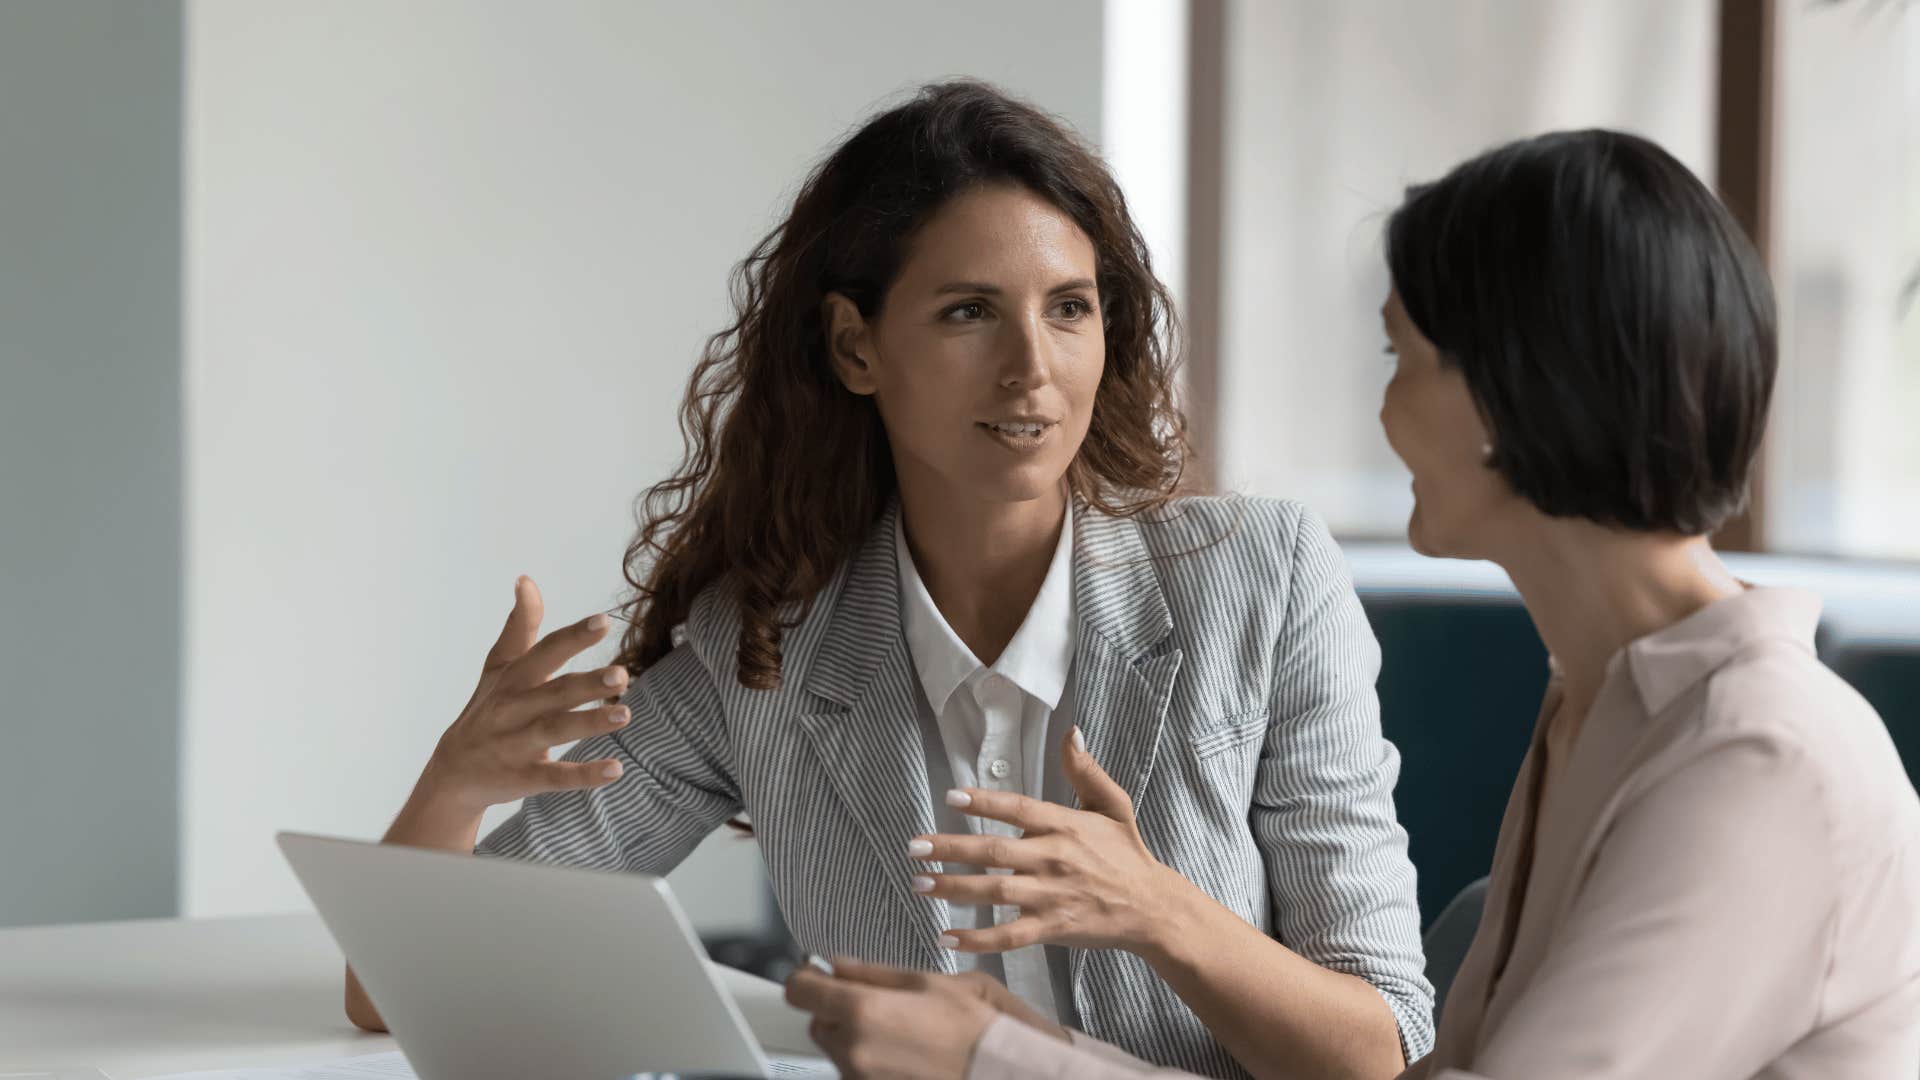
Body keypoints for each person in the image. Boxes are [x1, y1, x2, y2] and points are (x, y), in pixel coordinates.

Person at [343, 80, 1434, 1079]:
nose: (1033, 368)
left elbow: (1383, 1052)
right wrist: (458, 780)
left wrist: (1156, 909)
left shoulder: (1262, 580)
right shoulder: (762, 648)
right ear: (856, 349)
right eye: (968, 312)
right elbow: (398, 993)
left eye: (1069, 307)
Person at [786, 129, 1920, 1079]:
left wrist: (1010, 1060)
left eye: (1401, 357)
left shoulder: (1753, 756)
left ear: (1511, 394)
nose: (1383, 414)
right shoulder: (1602, 706)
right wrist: (1023, 1047)